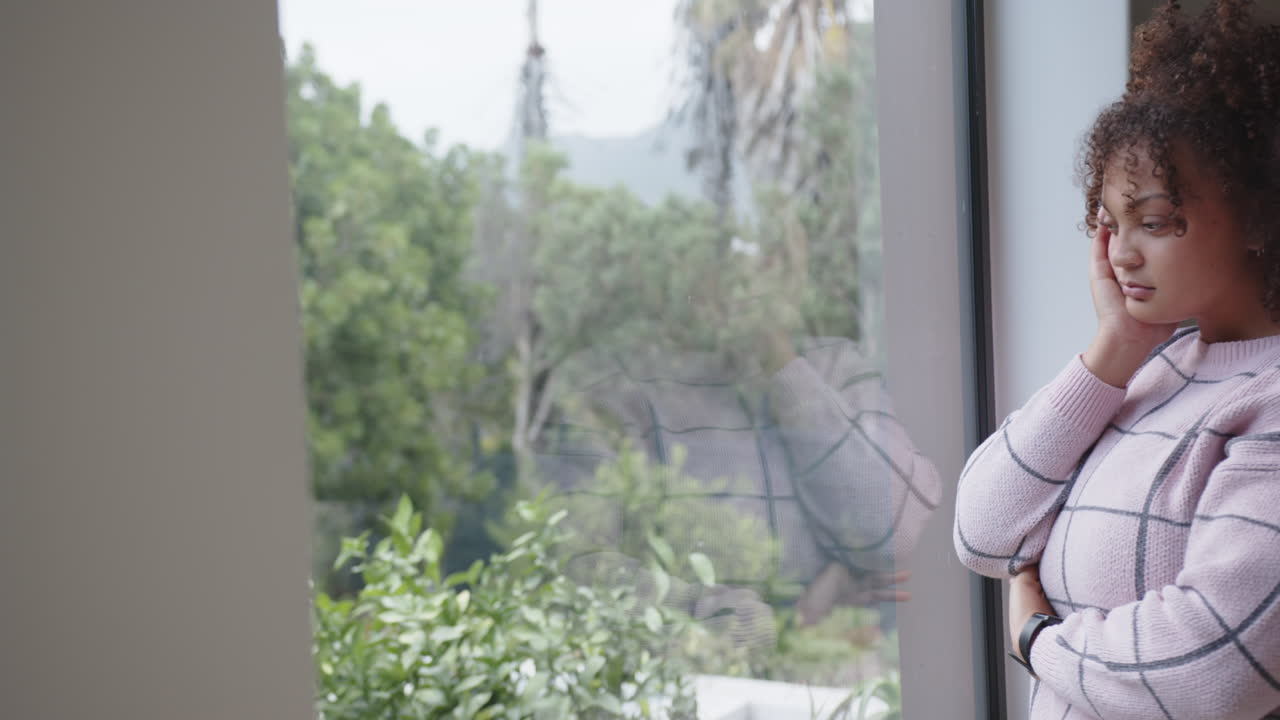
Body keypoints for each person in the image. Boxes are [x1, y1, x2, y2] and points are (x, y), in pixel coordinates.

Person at [954, 1, 1280, 718]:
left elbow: (1212, 666)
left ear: (1259, 214)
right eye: (1109, 223)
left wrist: (1037, 639)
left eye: (1155, 222)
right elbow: (982, 531)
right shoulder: (1151, 373)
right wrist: (1114, 350)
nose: (1122, 252)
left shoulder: (1267, 404)